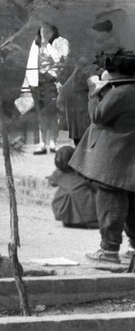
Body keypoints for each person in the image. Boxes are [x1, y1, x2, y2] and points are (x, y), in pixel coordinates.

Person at [68, 48, 135, 269]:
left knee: (110, 206)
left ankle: (109, 251)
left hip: (114, 161)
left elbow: (97, 117)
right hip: (129, 160)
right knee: (132, 206)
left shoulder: (120, 93)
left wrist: (94, 91)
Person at [25, 23, 69, 153]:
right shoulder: (35, 46)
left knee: (52, 113)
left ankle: (53, 142)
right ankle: (42, 142)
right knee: (41, 113)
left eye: (47, 33)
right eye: (42, 33)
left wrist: (47, 45)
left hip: (51, 82)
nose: (44, 36)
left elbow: (59, 60)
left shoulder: (57, 44)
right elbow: (31, 64)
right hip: (37, 82)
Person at [48, 144, 99, 229]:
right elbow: (92, 184)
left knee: (65, 195)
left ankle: (68, 221)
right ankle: (87, 221)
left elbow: (52, 182)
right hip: (84, 203)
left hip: (64, 206)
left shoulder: (58, 173)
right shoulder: (81, 171)